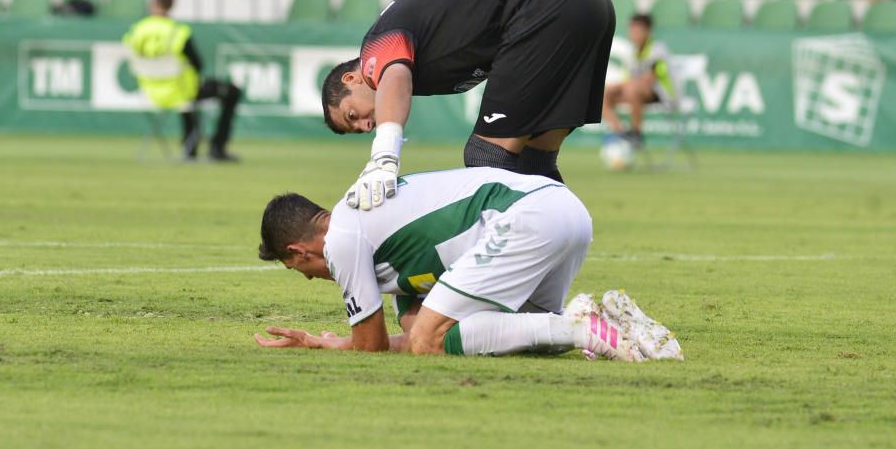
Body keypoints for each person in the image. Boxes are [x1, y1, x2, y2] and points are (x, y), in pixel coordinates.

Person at [254, 166, 683, 360]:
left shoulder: (343, 238)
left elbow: (372, 347)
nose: (312, 278)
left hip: (527, 217)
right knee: (504, 338)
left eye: (301, 271)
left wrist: (324, 343)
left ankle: (581, 326)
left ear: (298, 251)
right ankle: (609, 320)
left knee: (431, 340)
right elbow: (418, 336)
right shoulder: (373, 237)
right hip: (563, 212)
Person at [320, 0, 615, 210]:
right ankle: (559, 252)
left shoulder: (372, 51)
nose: (364, 125)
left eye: (352, 115)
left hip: (543, 3)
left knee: (486, 156)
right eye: (358, 130)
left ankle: (511, 263)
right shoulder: (414, 58)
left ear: (351, 78)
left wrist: (384, 156)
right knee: (532, 163)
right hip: (588, 0)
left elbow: (394, 77)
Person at [123, 0, 242, 162]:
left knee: (186, 96)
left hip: (150, 93)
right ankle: (217, 148)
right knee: (232, 91)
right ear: (172, 4)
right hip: (182, 91)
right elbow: (198, 65)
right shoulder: (177, 32)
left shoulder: (136, 31)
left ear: (151, 2)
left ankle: (190, 147)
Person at [602, 14, 675, 147]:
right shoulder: (632, 52)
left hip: (661, 95)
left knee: (632, 90)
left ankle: (636, 133)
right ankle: (620, 132)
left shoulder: (658, 50)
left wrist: (623, 85)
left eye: (637, 31)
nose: (634, 34)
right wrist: (614, 87)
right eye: (632, 30)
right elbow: (627, 80)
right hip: (636, 93)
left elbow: (649, 80)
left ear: (648, 31)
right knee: (604, 95)